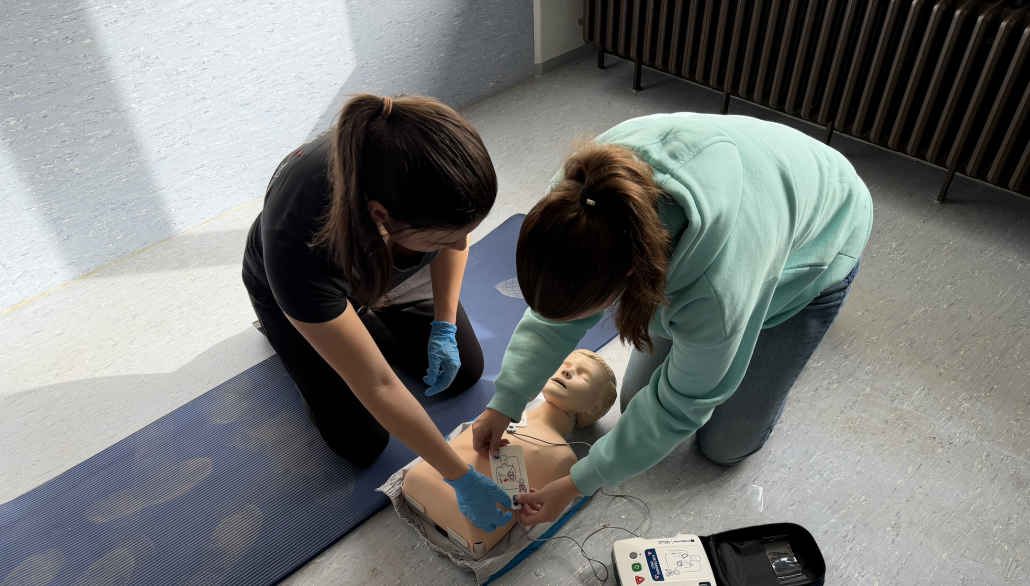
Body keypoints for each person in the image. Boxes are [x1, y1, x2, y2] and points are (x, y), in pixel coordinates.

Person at [472, 112, 873, 525]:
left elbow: (679, 407)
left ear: (631, 273)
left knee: (724, 446)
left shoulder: (718, 292)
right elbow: (553, 316)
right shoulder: (573, 199)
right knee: (635, 403)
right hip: (755, 175)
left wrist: (579, 482)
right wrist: (505, 403)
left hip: (824, 230)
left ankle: (791, 327)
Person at [242, 94, 511, 531]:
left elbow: (455, 239)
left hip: (389, 263)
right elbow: (379, 384)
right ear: (381, 216)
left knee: (465, 370)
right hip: (300, 287)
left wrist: (444, 324)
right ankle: (311, 328)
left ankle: (359, 321)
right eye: (441, 238)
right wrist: (459, 477)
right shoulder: (297, 245)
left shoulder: (419, 163)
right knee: (361, 442)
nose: (459, 243)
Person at [402, 350, 617, 555]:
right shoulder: (501, 415)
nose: (566, 371)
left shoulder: (564, 456)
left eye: (583, 375)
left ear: (595, 408)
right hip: (426, 482)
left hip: (463, 519)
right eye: (564, 365)